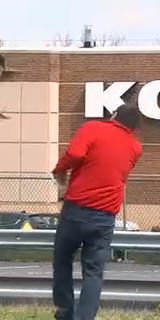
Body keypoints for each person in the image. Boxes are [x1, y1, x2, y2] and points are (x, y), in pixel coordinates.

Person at [51, 105, 142, 320]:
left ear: (114, 116)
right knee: (93, 272)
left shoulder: (93, 127)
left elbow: (75, 153)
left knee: (63, 257)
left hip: (77, 208)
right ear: (134, 127)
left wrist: (60, 170)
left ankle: (65, 310)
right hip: (106, 215)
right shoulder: (135, 147)